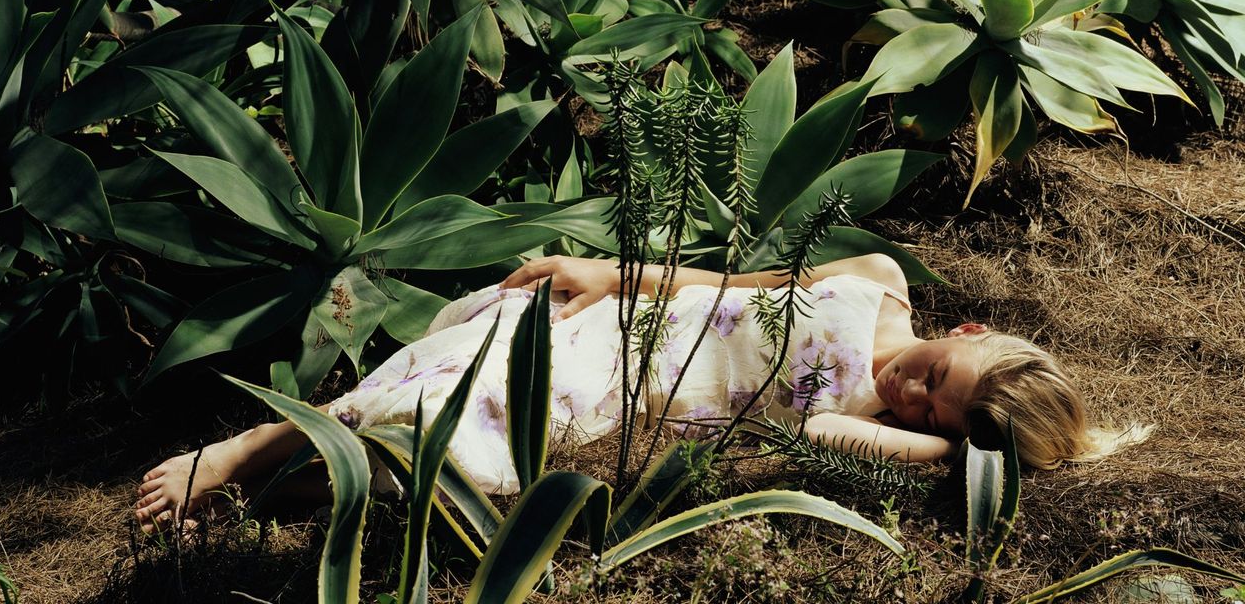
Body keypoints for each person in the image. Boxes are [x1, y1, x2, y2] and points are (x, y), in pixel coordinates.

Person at [133, 253, 1141, 533]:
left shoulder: (855, 419)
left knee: (465, 445)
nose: (913, 395)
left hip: (623, 398)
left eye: (935, 415)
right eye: (936, 379)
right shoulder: (874, 279)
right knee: (465, 372)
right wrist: (609, 274)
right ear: (961, 333)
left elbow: (852, 440)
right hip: (614, 331)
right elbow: (729, 284)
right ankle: (245, 451)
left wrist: (962, 449)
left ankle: (322, 480)